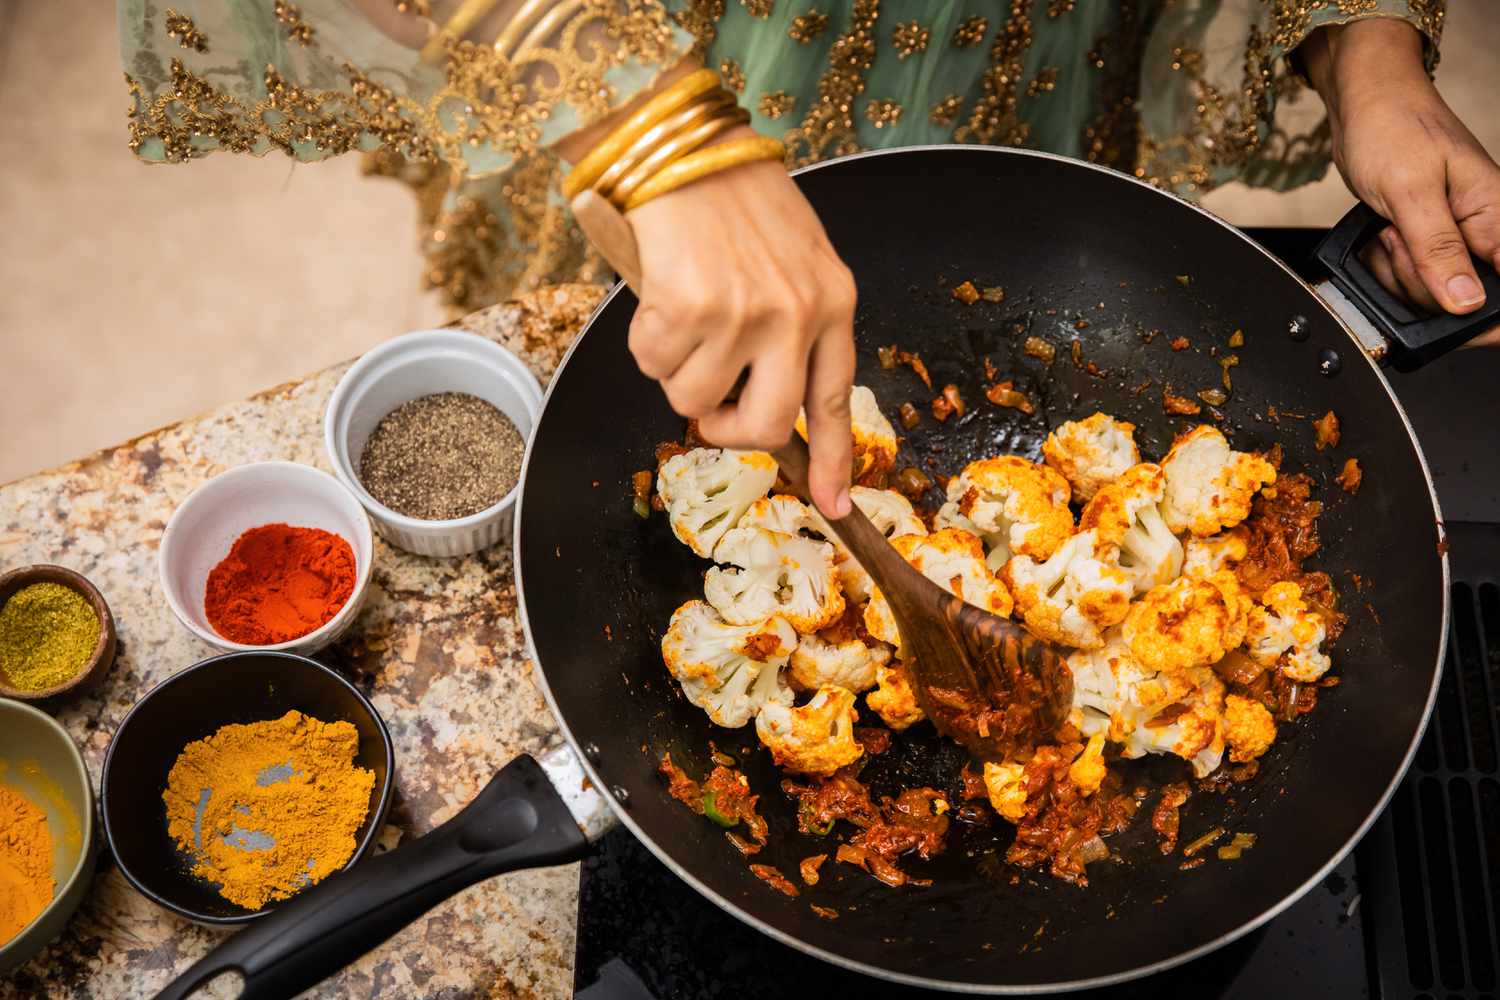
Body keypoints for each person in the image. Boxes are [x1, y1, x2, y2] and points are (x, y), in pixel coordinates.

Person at [121, 1, 1500, 518]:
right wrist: (652, 126)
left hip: (1034, 51)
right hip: (672, 44)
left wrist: (1369, 46)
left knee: (992, 248)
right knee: (630, 339)